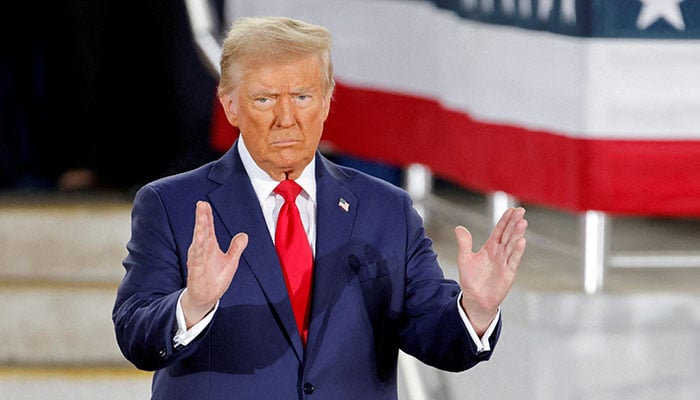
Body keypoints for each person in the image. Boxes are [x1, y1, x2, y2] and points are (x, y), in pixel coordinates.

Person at [112, 15, 528, 400]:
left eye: (303, 96)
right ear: (229, 104)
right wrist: (193, 305)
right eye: (264, 99)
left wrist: (476, 309)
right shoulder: (171, 204)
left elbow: (434, 335)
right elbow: (136, 334)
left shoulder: (386, 210)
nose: (286, 118)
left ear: (328, 100)